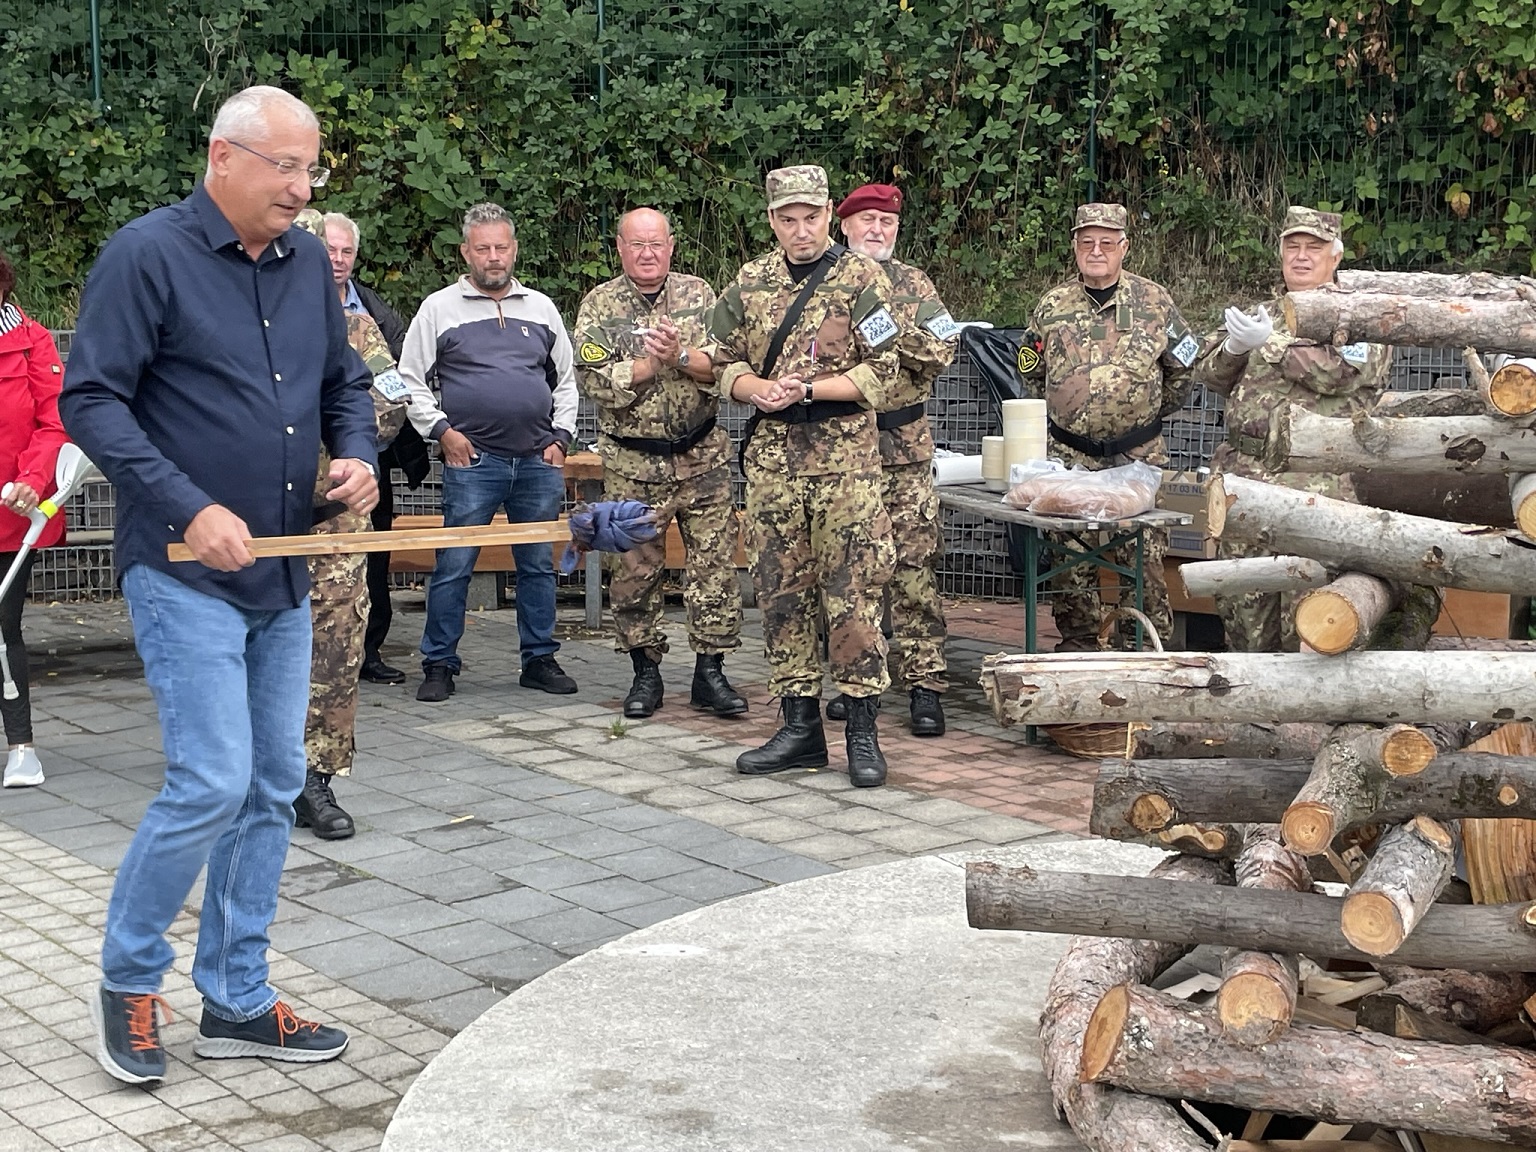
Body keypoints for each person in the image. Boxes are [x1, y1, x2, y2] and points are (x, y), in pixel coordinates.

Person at [60, 84, 377, 1085]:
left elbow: (343, 383)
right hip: (182, 567)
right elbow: (91, 402)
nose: (302, 189)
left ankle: (237, 998)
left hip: (281, 566)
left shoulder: (305, 266)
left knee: (273, 782)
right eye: (285, 167)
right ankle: (128, 980)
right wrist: (188, 506)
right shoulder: (145, 256)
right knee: (210, 780)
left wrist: (358, 453)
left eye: (310, 168)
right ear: (223, 157)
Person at [708, 165, 900, 787]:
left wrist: (812, 389)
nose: (800, 230)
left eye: (810, 217)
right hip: (773, 462)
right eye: (787, 219)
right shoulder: (750, 282)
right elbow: (717, 360)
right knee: (781, 592)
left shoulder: (862, 278)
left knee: (853, 593)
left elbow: (889, 367)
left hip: (845, 463)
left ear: (827, 214)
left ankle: (862, 732)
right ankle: (799, 729)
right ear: (772, 221)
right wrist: (753, 388)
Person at [1022, 203, 1241, 651]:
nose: (1096, 250)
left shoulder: (1154, 302)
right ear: (1074, 247)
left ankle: (1143, 648)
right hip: (1071, 455)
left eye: (1107, 242)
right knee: (1069, 561)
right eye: (1087, 241)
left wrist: (1143, 413)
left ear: (1124, 247)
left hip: (1138, 455)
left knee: (1142, 559)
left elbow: (1182, 368)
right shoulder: (1052, 305)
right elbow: (1031, 368)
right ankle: (1079, 644)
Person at [399, 202, 580, 702]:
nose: (494, 257)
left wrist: (561, 438)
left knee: (537, 565)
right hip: (472, 461)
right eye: (483, 249)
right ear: (465, 252)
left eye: (501, 247)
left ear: (514, 249)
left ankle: (539, 659)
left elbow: (566, 381)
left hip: (538, 460)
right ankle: (439, 664)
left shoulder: (541, 308)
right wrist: (442, 432)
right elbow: (408, 379)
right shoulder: (438, 309)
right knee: (454, 563)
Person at [573, 207, 747, 720]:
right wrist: (651, 364)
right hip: (634, 463)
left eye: (656, 244)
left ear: (671, 246)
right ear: (620, 248)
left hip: (702, 457)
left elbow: (725, 364)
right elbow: (593, 379)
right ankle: (644, 673)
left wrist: (681, 357)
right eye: (637, 244)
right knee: (634, 571)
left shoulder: (700, 295)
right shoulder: (600, 304)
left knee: (715, 568)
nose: (647, 254)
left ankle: (710, 672)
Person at [1198, 206, 1392, 651]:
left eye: (1313, 248)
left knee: (1308, 623)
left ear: (1335, 256)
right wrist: (1233, 347)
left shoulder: (1357, 320)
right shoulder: (1264, 313)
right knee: (1243, 618)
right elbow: (1208, 375)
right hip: (1244, 488)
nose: (1301, 256)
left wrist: (1269, 342)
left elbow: (1337, 374)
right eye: (1293, 246)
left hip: (1316, 494)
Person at [293, 209, 409, 840]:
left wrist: (341, 432)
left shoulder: (357, 327)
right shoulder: (233, 322)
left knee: (336, 645)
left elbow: (388, 401)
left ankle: (317, 778)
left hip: (334, 518)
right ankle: (246, 770)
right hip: (246, 519)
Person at [830, 183, 958, 736]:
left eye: (887, 222)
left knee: (913, 567)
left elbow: (943, 348)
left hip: (902, 450)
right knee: (850, 571)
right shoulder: (824, 283)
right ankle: (857, 683)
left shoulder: (914, 285)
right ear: (845, 227)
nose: (877, 230)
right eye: (867, 221)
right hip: (840, 451)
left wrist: (887, 332)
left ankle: (924, 684)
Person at [323, 211, 432, 684]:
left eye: (346, 251)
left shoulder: (371, 313)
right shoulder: (273, 305)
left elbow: (394, 384)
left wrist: (360, 439)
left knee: (371, 557)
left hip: (367, 459)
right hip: (292, 469)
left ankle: (367, 650)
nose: (338, 259)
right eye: (329, 249)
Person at [0, 248, 68, 789]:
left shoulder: (33, 342)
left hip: (11, 513)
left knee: (4, 627)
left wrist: (32, 478)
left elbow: (55, 422)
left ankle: (21, 745)